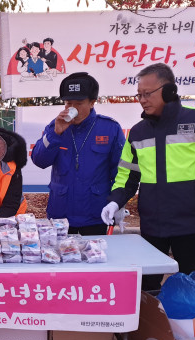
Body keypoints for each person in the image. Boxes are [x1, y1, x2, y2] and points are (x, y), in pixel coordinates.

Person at [101, 63, 195, 291]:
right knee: (148, 285)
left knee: (189, 284)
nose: (142, 100)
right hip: (152, 223)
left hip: (189, 222)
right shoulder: (137, 132)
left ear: (169, 91)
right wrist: (115, 201)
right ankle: (150, 315)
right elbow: (127, 175)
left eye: (147, 94)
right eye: (139, 95)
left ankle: (186, 315)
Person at [31, 72, 125, 235]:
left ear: (92, 103)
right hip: (60, 216)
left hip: (95, 215)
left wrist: (117, 203)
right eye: (68, 103)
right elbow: (39, 160)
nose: (72, 108)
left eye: (79, 103)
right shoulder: (55, 126)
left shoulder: (110, 128)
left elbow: (120, 172)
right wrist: (55, 134)